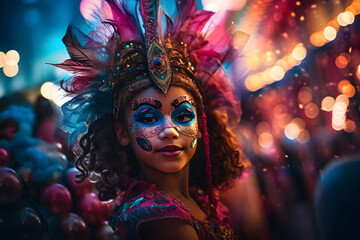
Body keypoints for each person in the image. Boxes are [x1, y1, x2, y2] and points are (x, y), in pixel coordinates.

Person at [55, 0, 249, 239]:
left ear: (200, 125)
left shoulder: (194, 198)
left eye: (184, 115)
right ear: (122, 133)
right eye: (148, 117)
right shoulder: (161, 219)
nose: (169, 130)